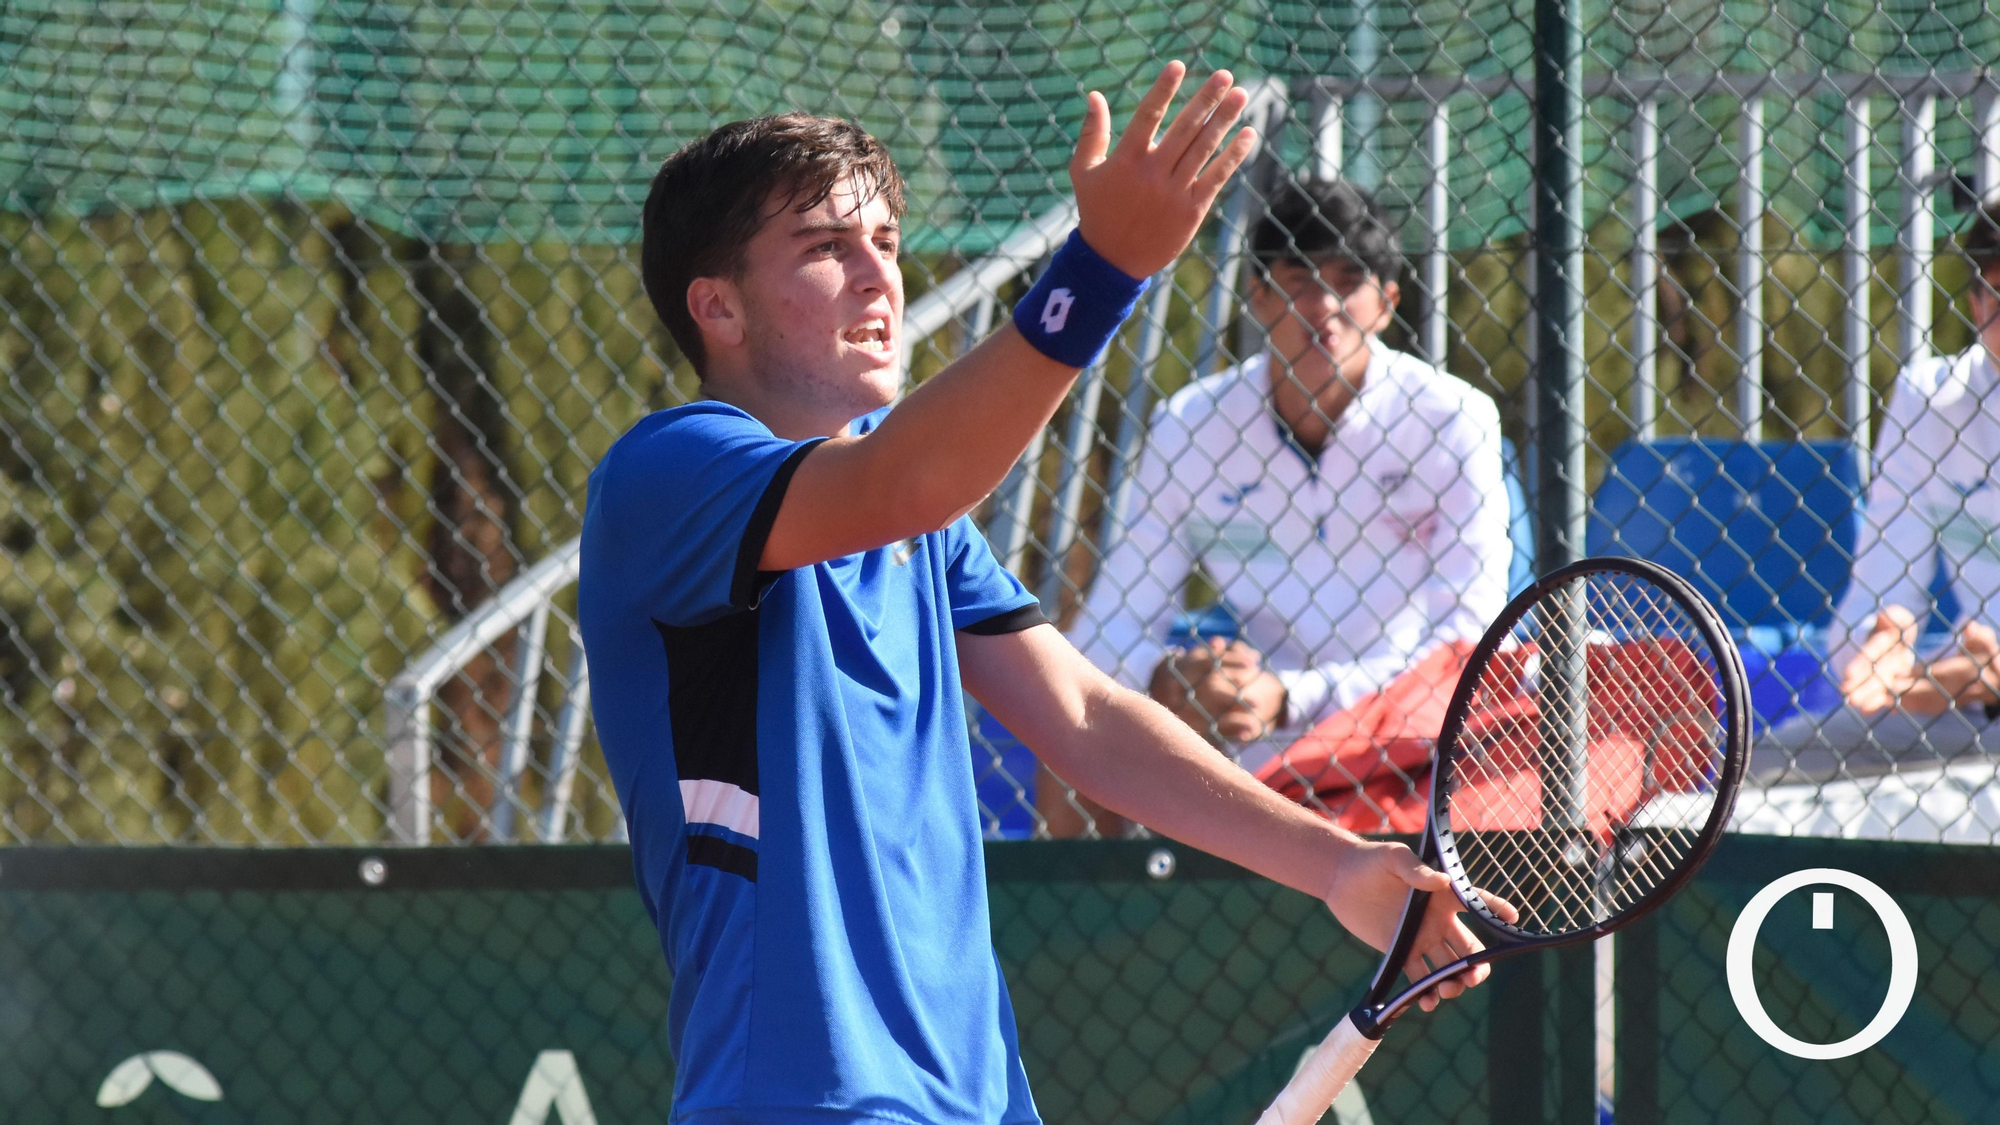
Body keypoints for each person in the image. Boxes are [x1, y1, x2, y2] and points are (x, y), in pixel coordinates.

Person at [577, 67, 1511, 1125]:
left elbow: (1084, 719)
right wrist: (1100, 268)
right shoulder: (667, 474)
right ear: (718, 307)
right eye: (825, 249)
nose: (878, 277)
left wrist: (1337, 866)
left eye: (883, 240)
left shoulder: (917, 524)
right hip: (797, 1101)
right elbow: (907, 480)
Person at [1061, 178, 1512, 834]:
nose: (1322, 305)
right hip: (1240, 742)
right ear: (1260, 297)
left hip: (1410, 736)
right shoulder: (1189, 423)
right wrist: (1170, 679)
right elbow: (1104, 633)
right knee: (1073, 731)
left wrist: (1293, 696)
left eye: (1349, 279)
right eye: (1298, 278)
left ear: (1386, 304)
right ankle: (1074, 930)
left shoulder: (1455, 419)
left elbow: (1465, 647)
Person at [1755, 200, 2000, 784]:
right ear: (1974, 304)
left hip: (1968, 694)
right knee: (1755, 767)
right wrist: (1883, 643)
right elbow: (1879, 589)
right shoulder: (1930, 398)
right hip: (1962, 710)